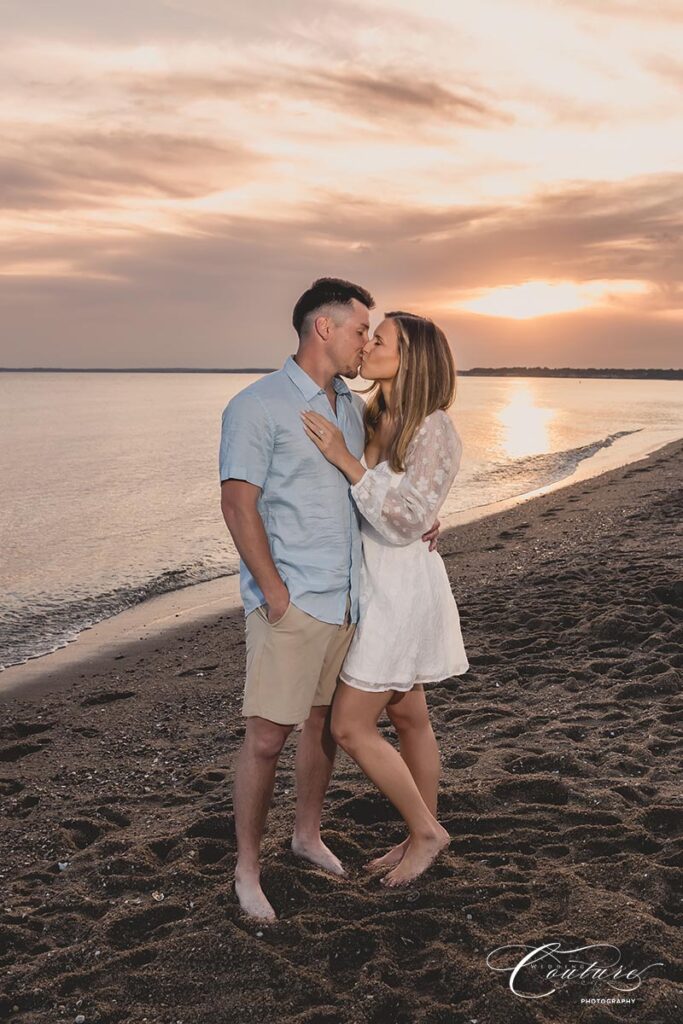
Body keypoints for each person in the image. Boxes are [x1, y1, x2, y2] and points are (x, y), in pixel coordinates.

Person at [219, 279, 440, 921]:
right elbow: (238, 504)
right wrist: (276, 592)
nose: (365, 342)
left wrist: (425, 516)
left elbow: (378, 483)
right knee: (266, 738)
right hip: (293, 600)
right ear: (324, 328)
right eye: (358, 330)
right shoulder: (256, 406)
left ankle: (307, 834)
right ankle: (247, 870)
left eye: (373, 335)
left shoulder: (350, 405)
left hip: (348, 599)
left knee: (322, 727)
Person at [301, 310, 469, 888]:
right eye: (369, 336)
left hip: (400, 588)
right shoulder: (375, 413)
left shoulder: (434, 429)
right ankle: (417, 830)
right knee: (408, 715)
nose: (369, 344)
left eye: (382, 339)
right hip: (371, 581)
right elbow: (393, 508)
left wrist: (345, 462)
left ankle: (426, 832)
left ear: (411, 357)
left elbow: (404, 521)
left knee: (350, 725)